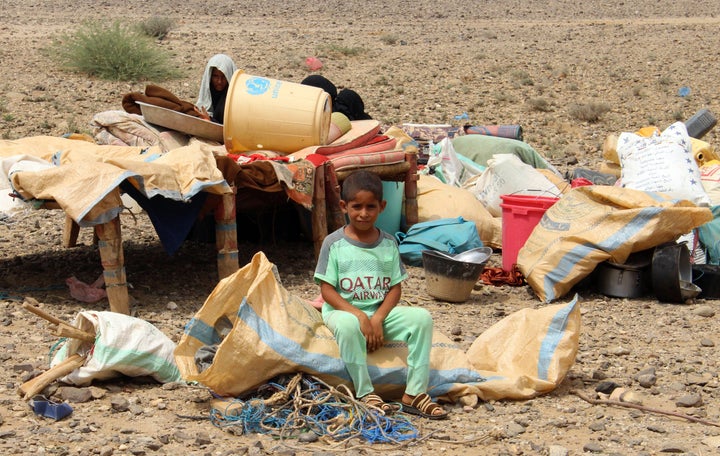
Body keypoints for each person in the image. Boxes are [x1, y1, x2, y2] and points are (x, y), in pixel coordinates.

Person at [313, 170, 448, 420]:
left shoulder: (388, 243)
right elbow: (327, 290)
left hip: (379, 312)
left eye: (370, 207)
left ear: (382, 207)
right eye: (357, 206)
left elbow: (395, 288)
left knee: (422, 318)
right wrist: (360, 316)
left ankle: (414, 393)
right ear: (344, 206)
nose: (364, 213)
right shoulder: (333, 243)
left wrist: (377, 318)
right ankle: (365, 392)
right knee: (348, 325)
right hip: (344, 311)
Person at [195, 54, 237, 124]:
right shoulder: (208, 92)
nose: (219, 81)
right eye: (215, 76)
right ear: (210, 77)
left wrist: (210, 120)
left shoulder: (235, 99)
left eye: (223, 76)